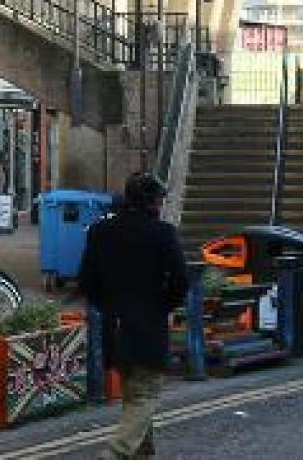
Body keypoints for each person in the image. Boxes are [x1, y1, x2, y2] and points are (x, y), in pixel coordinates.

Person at [79, 172, 189, 459]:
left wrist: (109, 305)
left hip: (113, 326)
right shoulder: (162, 233)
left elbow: (86, 282)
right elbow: (181, 280)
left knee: (133, 394)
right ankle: (116, 453)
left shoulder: (100, 232)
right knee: (145, 396)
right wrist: (162, 306)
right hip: (147, 328)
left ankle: (143, 453)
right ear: (153, 201)